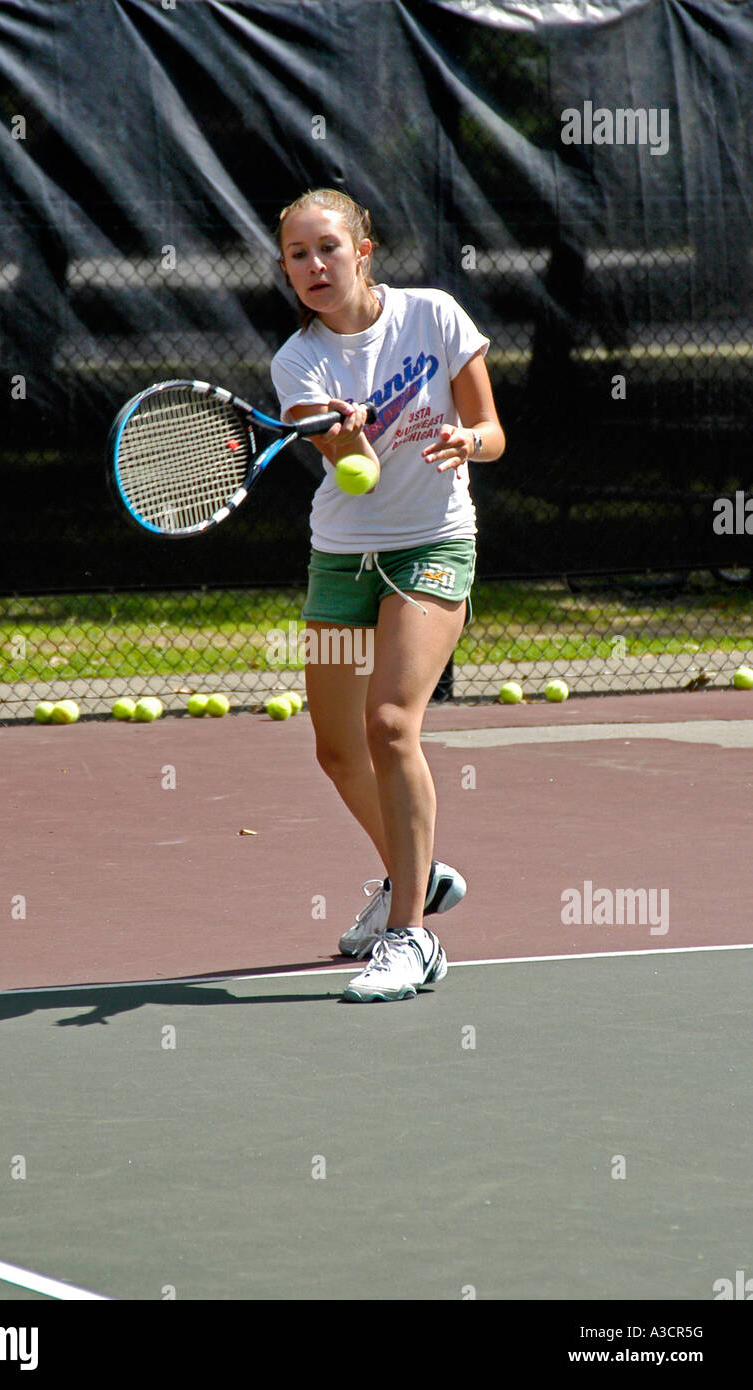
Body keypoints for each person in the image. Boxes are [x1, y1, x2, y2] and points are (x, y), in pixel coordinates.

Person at [270, 188, 505, 1002]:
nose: (314, 266)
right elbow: (352, 471)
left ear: (362, 250)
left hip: (434, 549)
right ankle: (417, 873)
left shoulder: (434, 316)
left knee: (389, 724)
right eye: (298, 255)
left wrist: (464, 440)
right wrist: (345, 429)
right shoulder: (297, 363)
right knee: (336, 751)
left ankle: (411, 937)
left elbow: (493, 432)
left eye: (327, 248)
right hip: (343, 561)